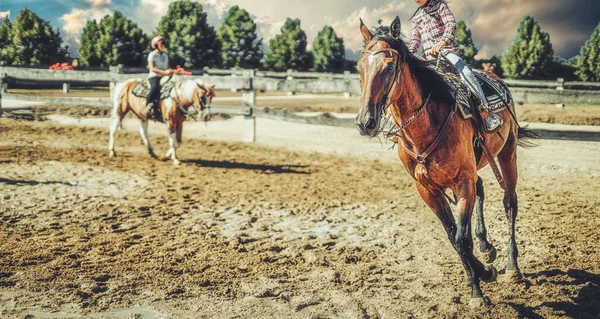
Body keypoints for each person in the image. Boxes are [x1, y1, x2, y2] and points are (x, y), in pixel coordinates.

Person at [409, 0, 502, 132]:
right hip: (427, 60)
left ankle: (486, 113)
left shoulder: (439, 6)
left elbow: (451, 25)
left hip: (446, 53)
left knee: (467, 73)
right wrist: (408, 53)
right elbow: (415, 40)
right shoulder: (416, 17)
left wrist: (442, 42)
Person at [142, 35, 173, 122]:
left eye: (165, 43)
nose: (164, 45)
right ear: (156, 45)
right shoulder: (152, 55)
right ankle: (146, 108)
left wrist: (171, 71)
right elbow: (153, 69)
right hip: (154, 76)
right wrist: (165, 72)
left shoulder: (165, 55)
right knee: (155, 87)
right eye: (162, 43)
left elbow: (167, 67)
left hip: (165, 76)